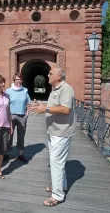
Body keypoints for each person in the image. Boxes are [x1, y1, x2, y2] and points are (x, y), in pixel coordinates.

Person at [28, 68, 76, 207]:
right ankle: (60, 186)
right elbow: (54, 106)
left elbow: (66, 109)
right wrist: (42, 106)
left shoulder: (66, 89)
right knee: (58, 162)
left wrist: (46, 109)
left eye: (50, 74)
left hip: (61, 132)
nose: (47, 75)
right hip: (54, 131)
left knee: (56, 162)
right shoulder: (55, 89)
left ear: (59, 77)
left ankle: (57, 195)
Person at [5, 73, 31, 163]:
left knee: (21, 135)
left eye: (20, 79)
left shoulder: (25, 91)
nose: (19, 81)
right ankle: (6, 153)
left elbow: (29, 103)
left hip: (22, 116)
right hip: (11, 115)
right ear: (14, 80)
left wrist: (27, 113)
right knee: (9, 135)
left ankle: (20, 154)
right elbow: (5, 104)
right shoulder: (8, 91)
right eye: (17, 79)